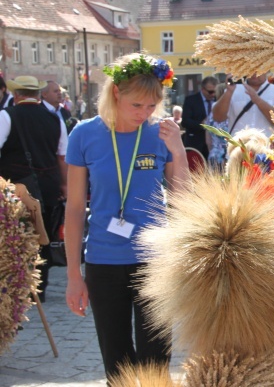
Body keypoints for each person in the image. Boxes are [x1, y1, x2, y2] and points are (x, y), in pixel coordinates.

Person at [64, 53, 189, 382]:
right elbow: (75, 209)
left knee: (155, 360)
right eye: (137, 106)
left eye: (151, 106)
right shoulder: (84, 135)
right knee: (116, 361)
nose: (145, 114)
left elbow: (184, 199)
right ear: (116, 93)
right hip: (104, 261)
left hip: (154, 260)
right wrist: (74, 276)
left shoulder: (161, 133)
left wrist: (177, 150)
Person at [0, 76, 68, 302]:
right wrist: (64, 185)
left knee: (17, 237)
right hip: (48, 187)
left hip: (16, 187)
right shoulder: (54, 119)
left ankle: (19, 286)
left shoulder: (6, 116)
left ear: (17, 95)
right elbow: (62, 157)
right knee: (43, 236)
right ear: (38, 95)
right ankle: (40, 287)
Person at [212, 72, 274, 137]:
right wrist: (229, 91)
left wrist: (257, 100)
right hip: (238, 146)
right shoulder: (233, 89)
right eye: (251, 68)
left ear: (267, 69)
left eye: (258, 68)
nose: (254, 73)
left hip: (266, 146)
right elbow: (218, 118)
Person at [182, 76, 218, 159]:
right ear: (203, 89)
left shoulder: (218, 100)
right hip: (196, 143)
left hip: (215, 143)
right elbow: (185, 121)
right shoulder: (191, 100)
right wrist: (201, 125)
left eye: (215, 92)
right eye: (210, 92)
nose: (213, 94)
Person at [206, 83, 228, 171]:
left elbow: (208, 140)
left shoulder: (212, 113)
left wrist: (212, 151)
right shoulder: (231, 111)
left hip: (214, 155)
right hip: (229, 155)